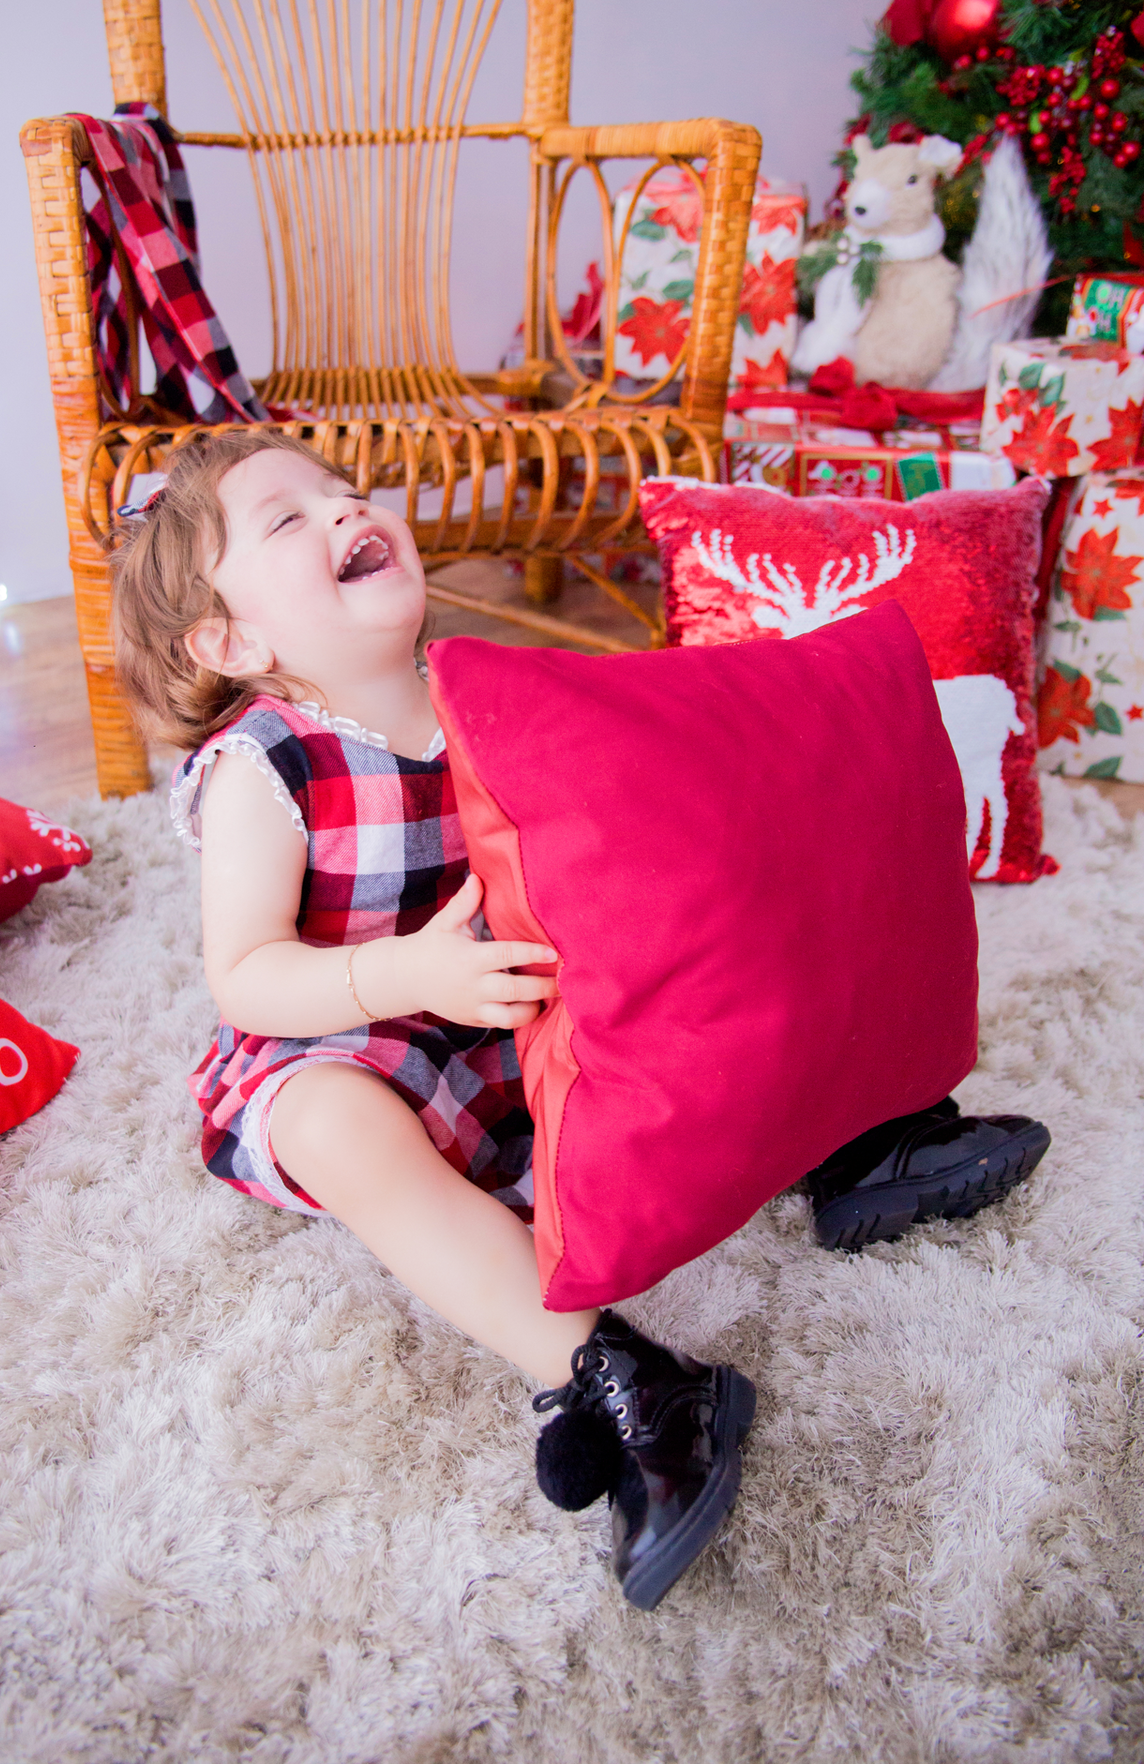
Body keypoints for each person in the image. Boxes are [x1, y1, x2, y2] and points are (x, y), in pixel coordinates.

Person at [112, 428, 1051, 1612]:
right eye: (289, 520)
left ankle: (854, 1140)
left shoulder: (478, 689)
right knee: (330, 1127)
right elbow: (248, 976)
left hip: (526, 997)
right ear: (232, 642)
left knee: (707, 962)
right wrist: (405, 974)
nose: (348, 511)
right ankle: (622, 1375)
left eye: (346, 492)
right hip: (361, 1029)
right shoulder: (263, 764)